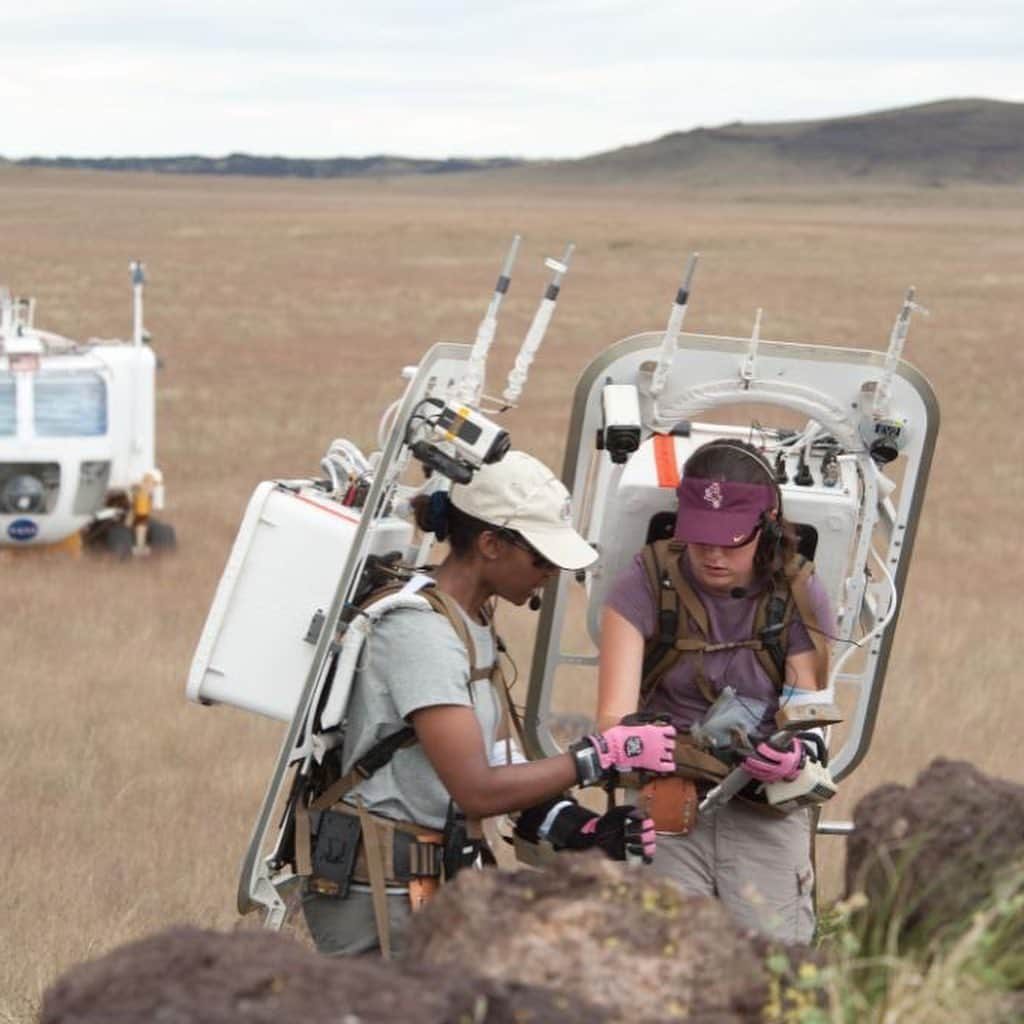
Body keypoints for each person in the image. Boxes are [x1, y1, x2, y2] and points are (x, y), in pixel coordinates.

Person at [300, 450, 676, 957]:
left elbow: (499, 761)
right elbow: (476, 790)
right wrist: (601, 755)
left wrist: (578, 828)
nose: (550, 573)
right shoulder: (421, 632)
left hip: (432, 885)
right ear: (491, 544)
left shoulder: (469, 622)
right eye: (542, 558)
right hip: (382, 896)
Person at [596, 439, 835, 943]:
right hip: (670, 800)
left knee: (773, 972)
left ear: (767, 523)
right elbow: (613, 716)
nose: (713, 554)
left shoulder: (797, 591)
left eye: (732, 541)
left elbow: (806, 710)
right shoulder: (647, 580)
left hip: (764, 807)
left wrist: (793, 756)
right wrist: (639, 743)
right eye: (701, 538)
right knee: (667, 965)